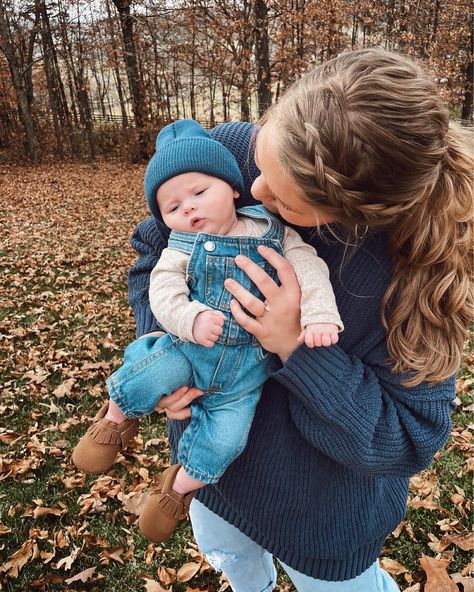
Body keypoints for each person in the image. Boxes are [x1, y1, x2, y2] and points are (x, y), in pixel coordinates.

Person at [127, 49, 473, 592]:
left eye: (283, 199)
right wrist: (173, 341)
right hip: (214, 470)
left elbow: (407, 439)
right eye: (261, 163)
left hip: (321, 517)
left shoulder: (414, 280)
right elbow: (157, 244)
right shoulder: (243, 151)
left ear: (345, 217)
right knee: (231, 557)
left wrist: (297, 345)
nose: (253, 191)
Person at [72, 120, 343, 544]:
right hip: (188, 349)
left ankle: (176, 490)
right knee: (149, 373)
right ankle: (114, 419)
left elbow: (309, 269)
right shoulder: (181, 245)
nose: (190, 210)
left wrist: (319, 315)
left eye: (200, 193)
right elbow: (161, 289)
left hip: (244, 377)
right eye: (173, 207)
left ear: (235, 188)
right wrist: (190, 319)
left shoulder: (273, 231)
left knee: (225, 441)